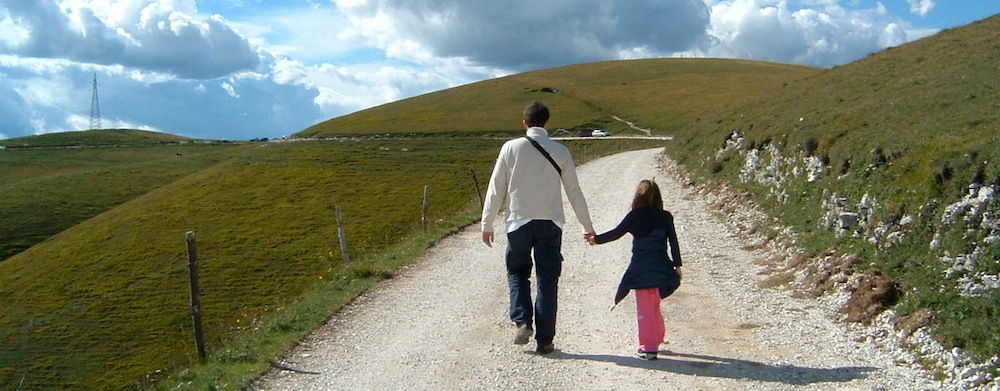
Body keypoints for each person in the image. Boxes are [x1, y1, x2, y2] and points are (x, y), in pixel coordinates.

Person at [481, 101, 596, 355]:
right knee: (547, 280)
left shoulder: (510, 148)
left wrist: (487, 223)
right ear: (548, 123)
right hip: (550, 223)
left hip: (518, 222)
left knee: (517, 272)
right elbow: (574, 192)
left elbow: (496, 187)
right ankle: (545, 341)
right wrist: (587, 226)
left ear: (524, 123)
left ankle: (523, 321)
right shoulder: (561, 151)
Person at [587, 179, 683, 361]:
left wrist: (596, 239)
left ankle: (649, 347)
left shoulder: (634, 216)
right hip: (661, 266)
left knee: (644, 309)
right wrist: (677, 265)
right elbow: (673, 242)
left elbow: (615, 233)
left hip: (640, 269)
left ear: (637, 198)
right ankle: (658, 337)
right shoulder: (665, 217)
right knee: (654, 304)